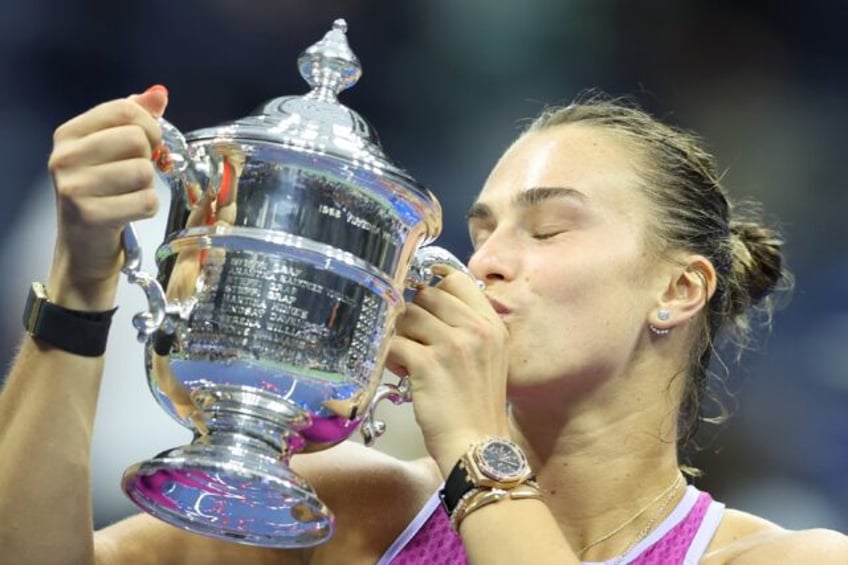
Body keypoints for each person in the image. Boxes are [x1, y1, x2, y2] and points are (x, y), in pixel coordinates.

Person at [0, 84, 846, 565]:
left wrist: (477, 444)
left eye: (548, 229)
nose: (488, 264)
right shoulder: (353, 504)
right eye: (483, 233)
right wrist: (80, 282)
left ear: (679, 289)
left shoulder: (789, 559)